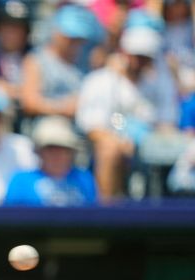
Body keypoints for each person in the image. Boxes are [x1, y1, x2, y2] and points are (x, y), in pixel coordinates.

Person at [76, 24, 178, 198]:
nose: (140, 62)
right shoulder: (101, 81)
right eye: (136, 56)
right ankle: (107, 215)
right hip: (112, 146)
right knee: (110, 150)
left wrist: (148, 140)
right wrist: (121, 142)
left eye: (145, 57)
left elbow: (167, 123)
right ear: (124, 53)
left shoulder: (160, 83)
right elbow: (92, 126)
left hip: (151, 147)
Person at [4, 116, 99, 206]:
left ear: (72, 153)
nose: (57, 155)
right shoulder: (21, 181)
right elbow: (9, 217)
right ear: (39, 151)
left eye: (63, 149)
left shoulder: (84, 179)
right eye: (50, 149)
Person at [21, 5, 90, 121]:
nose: (74, 43)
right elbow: (29, 103)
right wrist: (62, 107)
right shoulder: (36, 60)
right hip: (48, 124)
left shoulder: (84, 63)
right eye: (69, 37)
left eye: (78, 39)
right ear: (56, 32)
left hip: (82, 125)